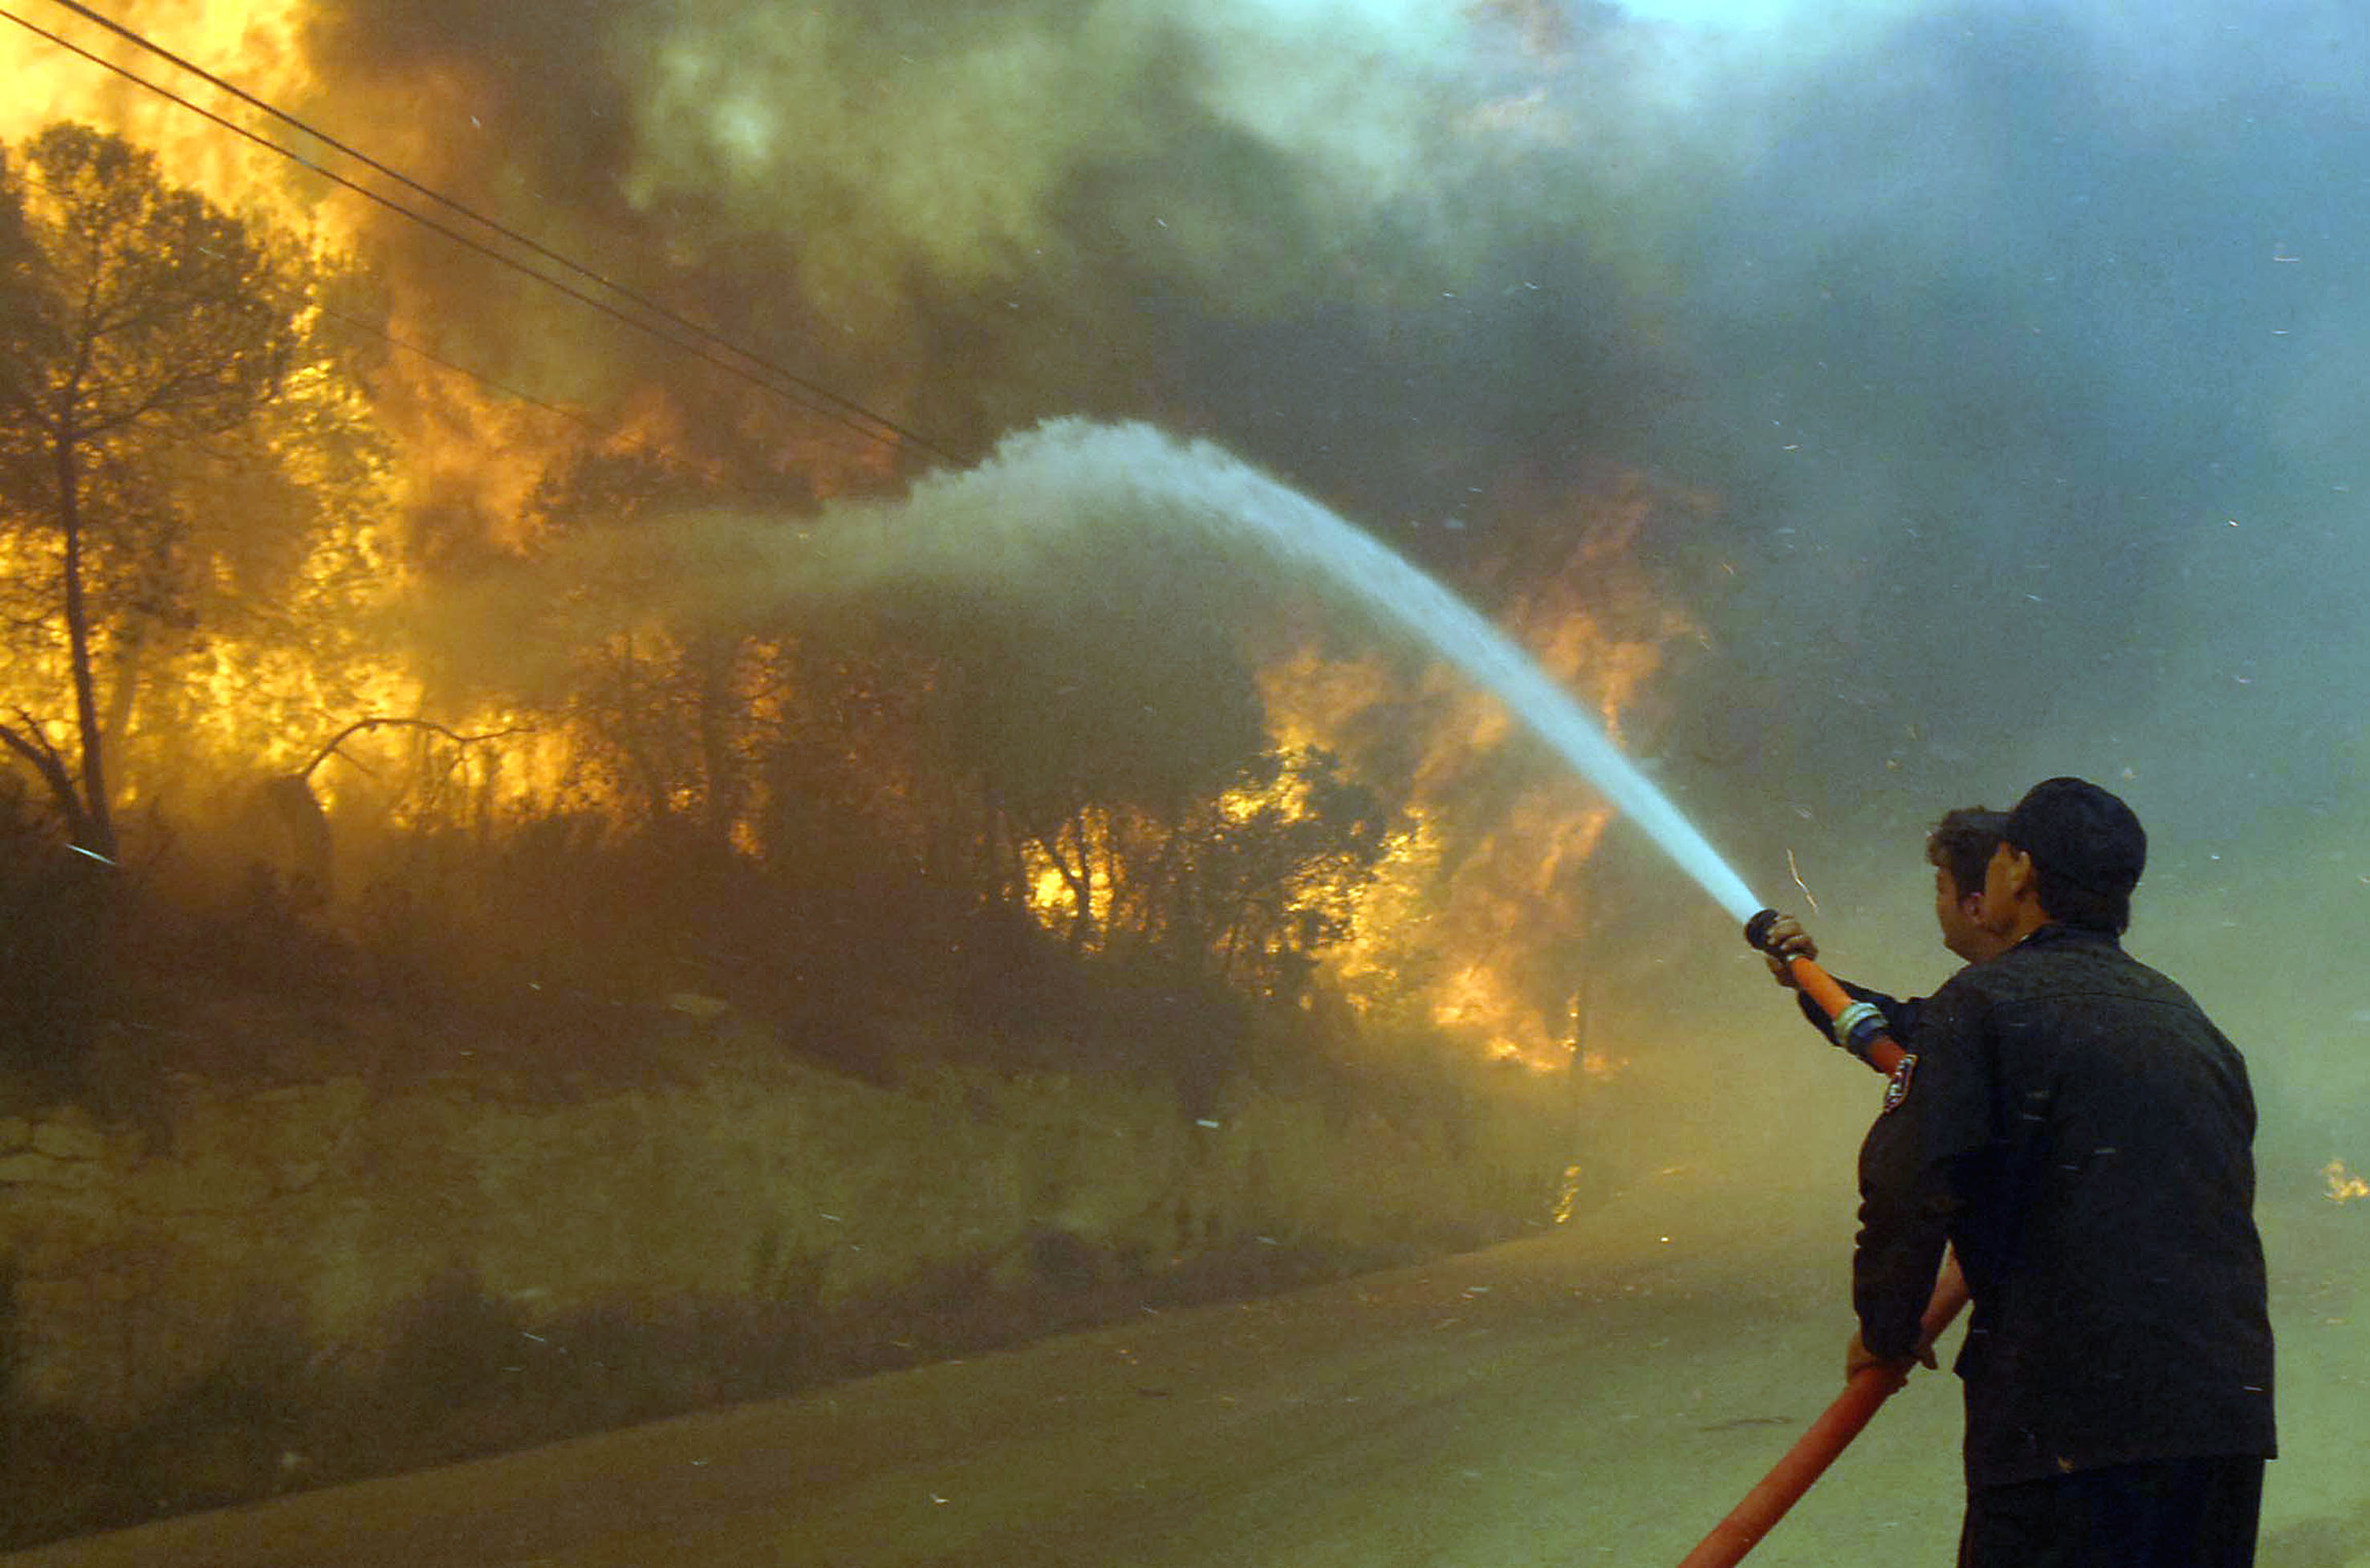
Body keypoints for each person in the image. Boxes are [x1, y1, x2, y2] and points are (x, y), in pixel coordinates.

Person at [1851, 777, 2275, 1567]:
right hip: (2220, 1421)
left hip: (2069, 1423)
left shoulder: (1978, 1004)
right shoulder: (2185, 1019)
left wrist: (1885, 1330)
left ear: (2014, 871)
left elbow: (1907, 1182)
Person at [1761, 806, 2010, 1062]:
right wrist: (1807, 977)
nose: (1937, 903)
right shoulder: (1992, 1001)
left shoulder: (1982, 1008)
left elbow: (1900, 1034)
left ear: (1975, 908)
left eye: (1941, 889)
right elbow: (1896, 1027)